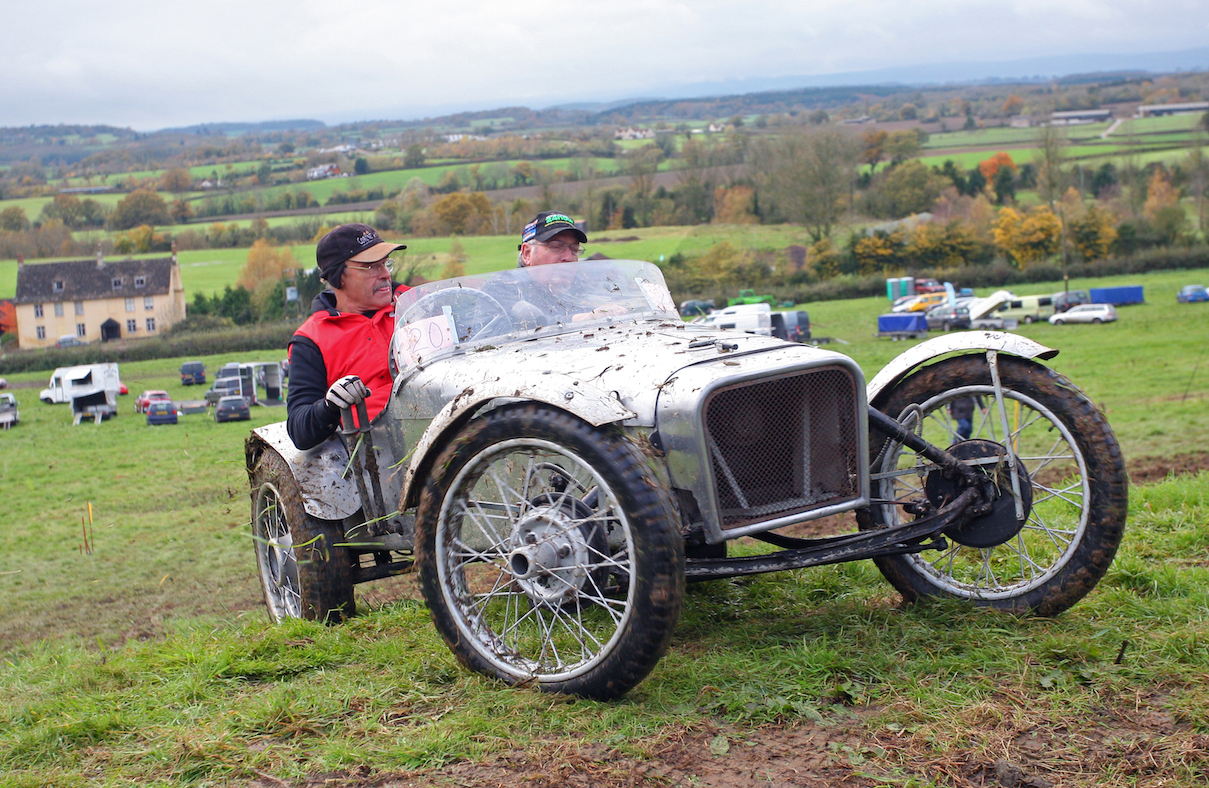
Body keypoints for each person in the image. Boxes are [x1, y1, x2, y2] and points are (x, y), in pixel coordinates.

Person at [286, 223, 408, 450]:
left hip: (447, 425)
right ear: (338, 277)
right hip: (377, 453)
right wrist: (330, 405)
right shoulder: (311, 340)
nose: (385, 274)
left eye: (385, 264)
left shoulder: (414, 304)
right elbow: (299, 430)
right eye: (371, 267)